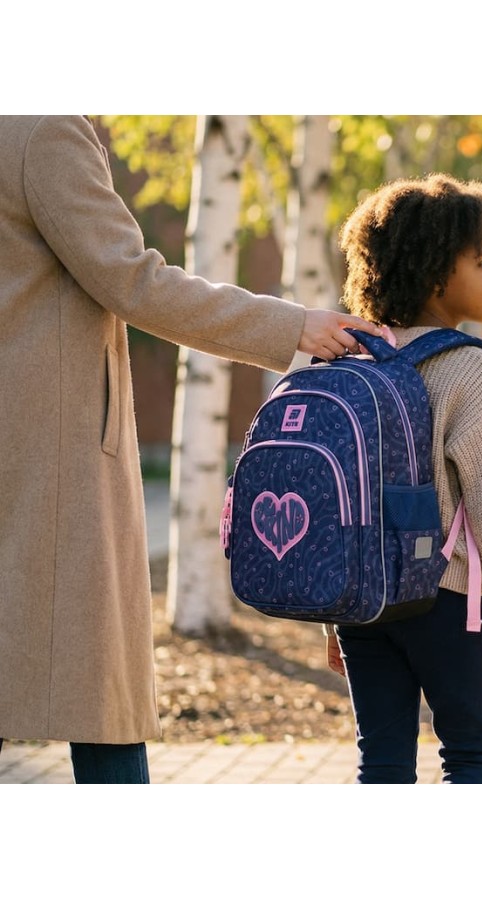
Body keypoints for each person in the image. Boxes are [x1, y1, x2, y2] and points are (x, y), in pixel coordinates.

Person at [0, 114, 384, 783]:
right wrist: (294, 325)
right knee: (99, 685)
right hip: (49, 447)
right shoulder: (44, 128)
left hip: (26, 435)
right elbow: (134, 281)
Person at [328, 172, 482, 784]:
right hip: (445, 600)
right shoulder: (468, 368)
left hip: (363, 601)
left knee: (382, 760)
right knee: (473, 757)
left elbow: (344, 499)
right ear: (433, 272)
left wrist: (334, 609)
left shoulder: (352, 357)